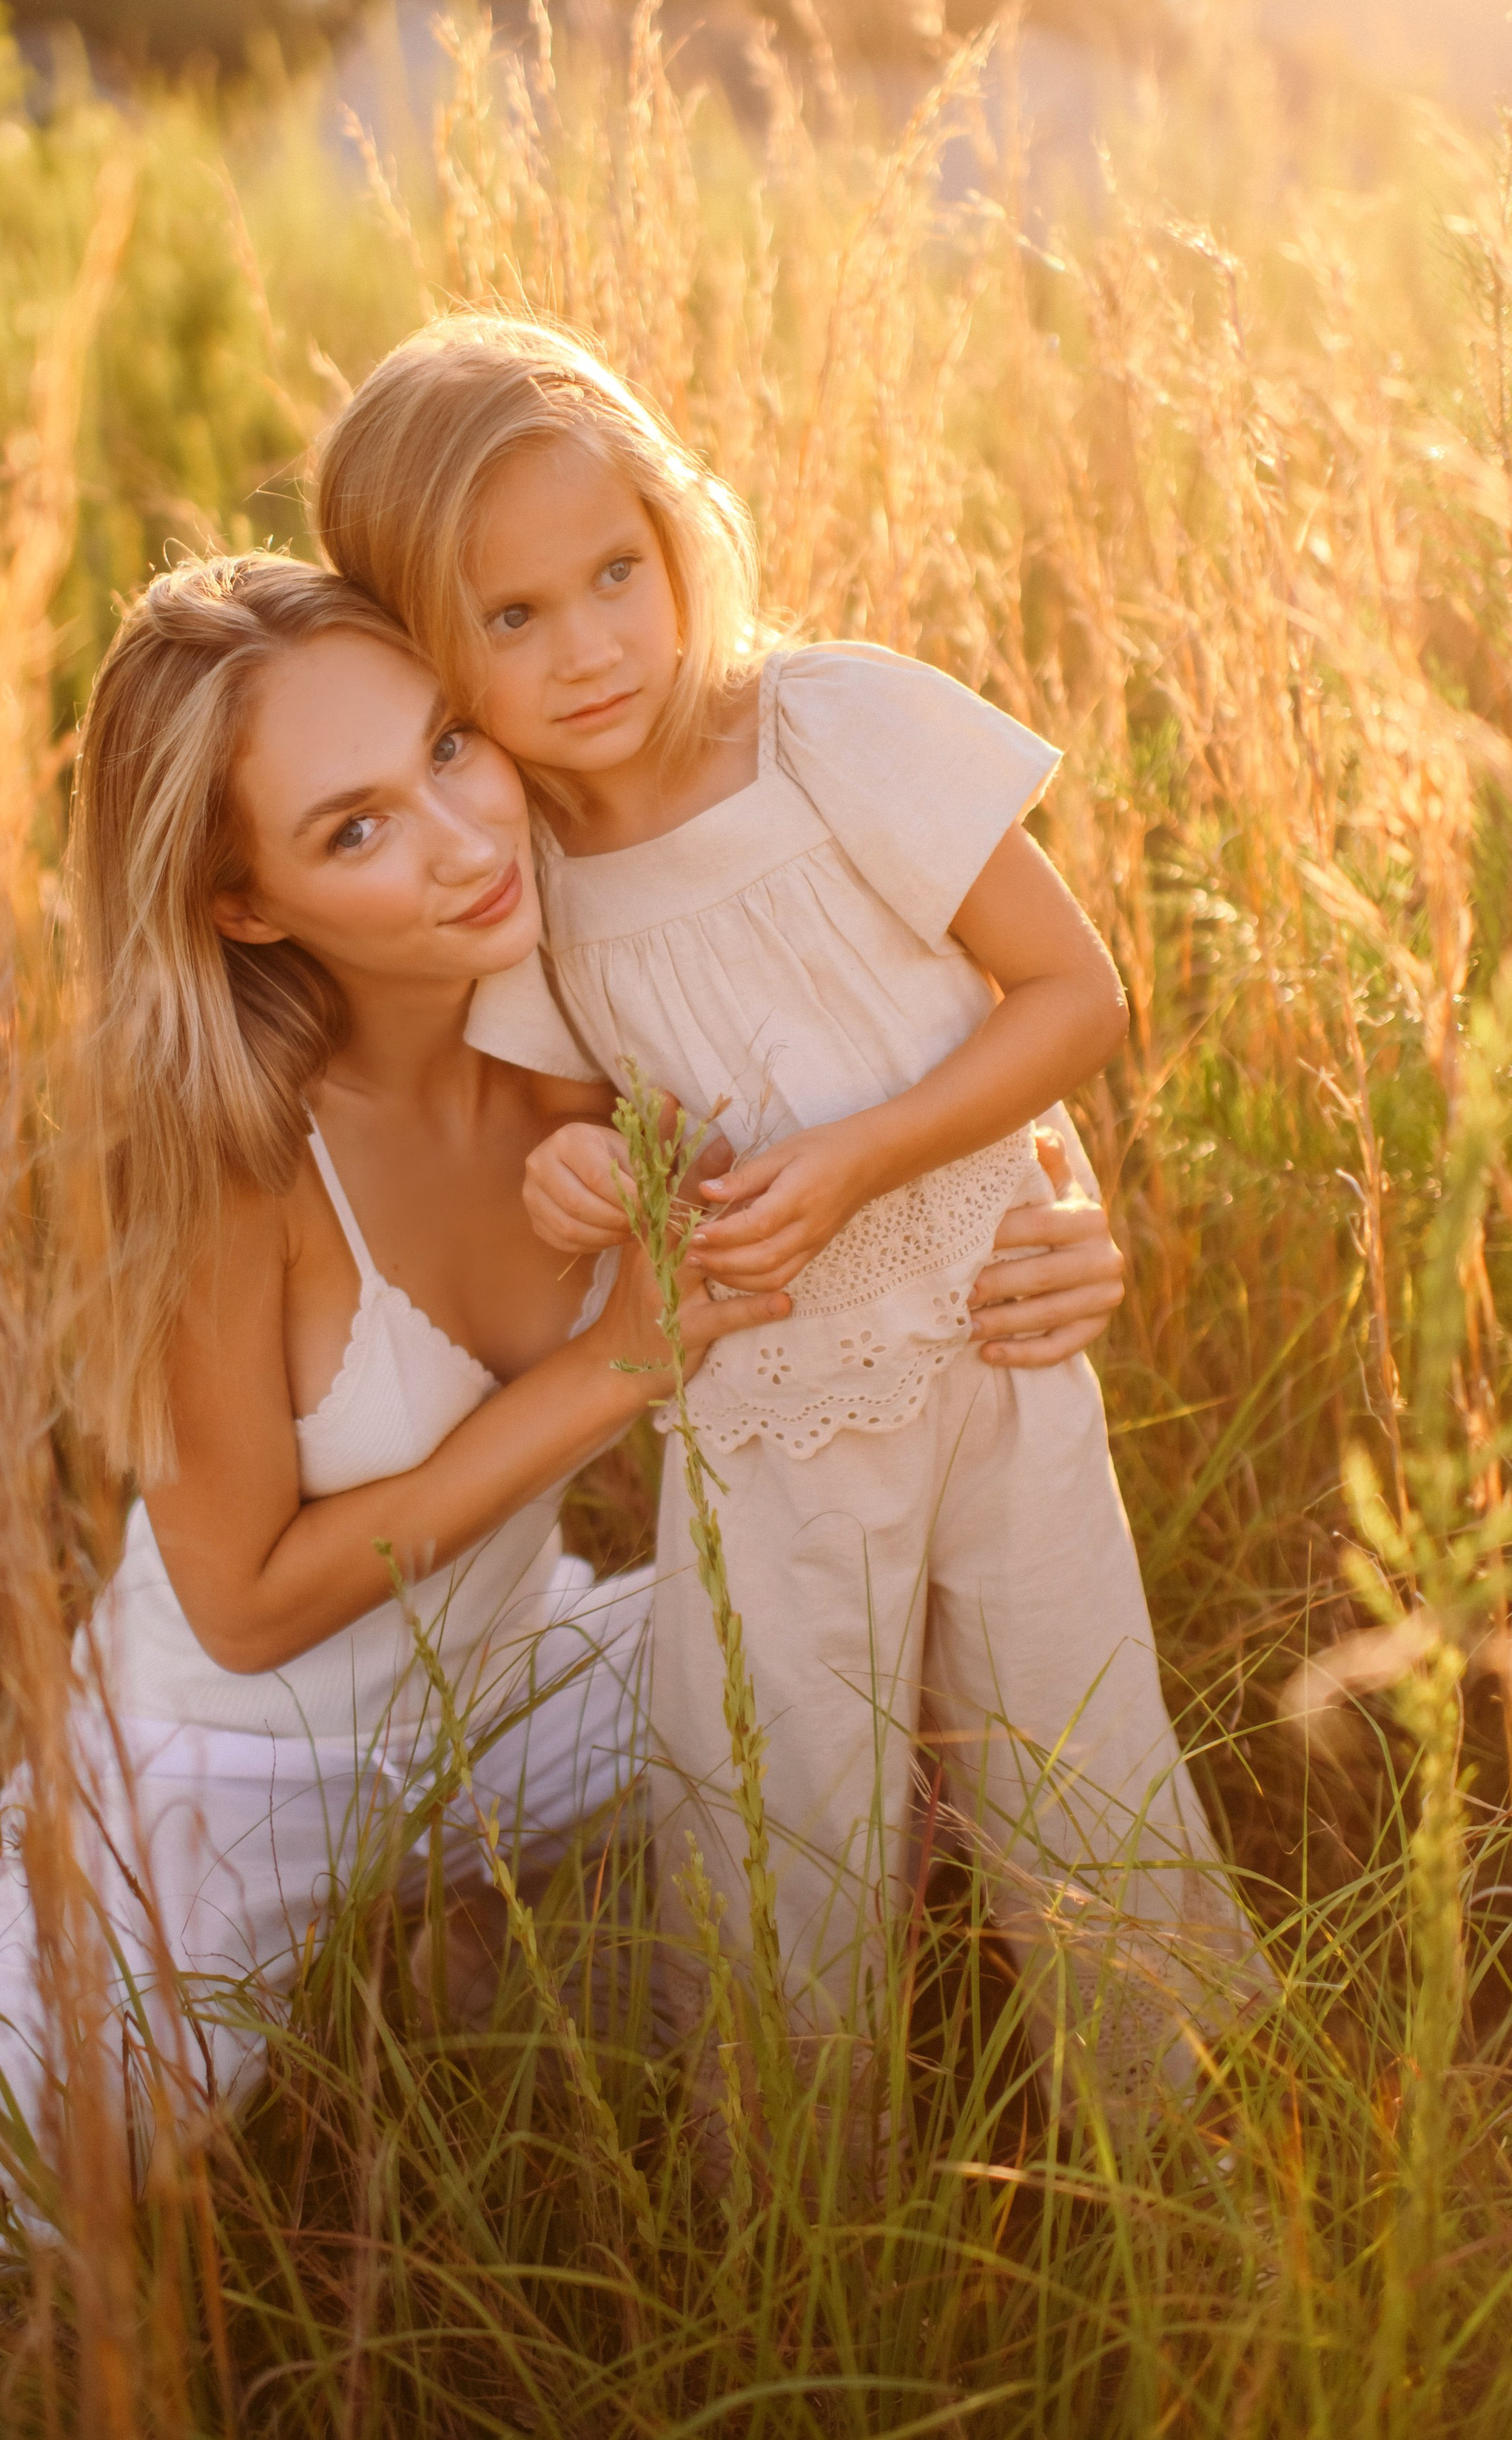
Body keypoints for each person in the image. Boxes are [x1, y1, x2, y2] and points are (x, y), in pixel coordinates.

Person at [0, 554, 1132, 2227]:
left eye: (443, 748)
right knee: (59, 2139)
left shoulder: (599, 1004)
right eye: (353, 829)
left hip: (526, 1686)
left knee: (899, 1661)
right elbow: (249, 1603)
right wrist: (611, 1370)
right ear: (244, 903)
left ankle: (514, 1969)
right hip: (234, 1773)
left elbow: (902, 1120)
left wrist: (1062, 1242)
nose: (463, 840)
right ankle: (307, 1959)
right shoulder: (224, 1166)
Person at [313, 315, 1265, 2120]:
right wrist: (576, 1178)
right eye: (511, 619)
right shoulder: (527, 875)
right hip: (763, 1413)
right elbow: (586, 1140)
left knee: (1078, 1758)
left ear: (678, 541)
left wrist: (869, 1156)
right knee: (786, 1816)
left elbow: (1069, 997)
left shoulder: (829, 727)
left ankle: (1182, 2154)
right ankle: (795, 2206)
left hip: (986, 1345)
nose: (590, 646)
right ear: (427, 652)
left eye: (616, 572)